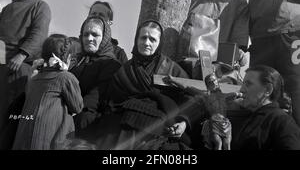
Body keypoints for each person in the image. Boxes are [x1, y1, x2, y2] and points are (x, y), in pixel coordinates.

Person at [86, 20, 189, 150]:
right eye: (143, 38)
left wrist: (183, 122)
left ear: (160, 43)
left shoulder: (172, 70)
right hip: (123, 126)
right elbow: (112, 103)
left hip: (159, 127)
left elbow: (190, 98)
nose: (147, 43)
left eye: (152, 39)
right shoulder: (124, 71)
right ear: (136, 39)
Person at [248, 0, 300, 126]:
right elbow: (250, 19)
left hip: (291, 39)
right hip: (261, 43)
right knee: (260, 88)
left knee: (295, 87)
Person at [0, 0, 51, 146]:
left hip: (21, 67)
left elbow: (39, 35)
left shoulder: (40, 7)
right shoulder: (7, 9)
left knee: (12, 115)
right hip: (2, 66)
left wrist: (21, 55)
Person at [13, 34, 83, 150]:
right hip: (51, 140)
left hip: (25, 140)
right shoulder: (65, 77)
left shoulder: (34, 78)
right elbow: (77, 106)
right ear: (68, 57)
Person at [70, 17, 121, 134]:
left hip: (88, 122)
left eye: (95, 35)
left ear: (104, 38)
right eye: (85, 34)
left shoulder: (111, 64)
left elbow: (94, 99)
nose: (89, 39)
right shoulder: (77, 60)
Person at [231, 65, 300, 150]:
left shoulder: (282, 121)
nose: (241, 89)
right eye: (243, 84)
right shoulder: (243, 114)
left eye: (248, 84)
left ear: (268, 90)